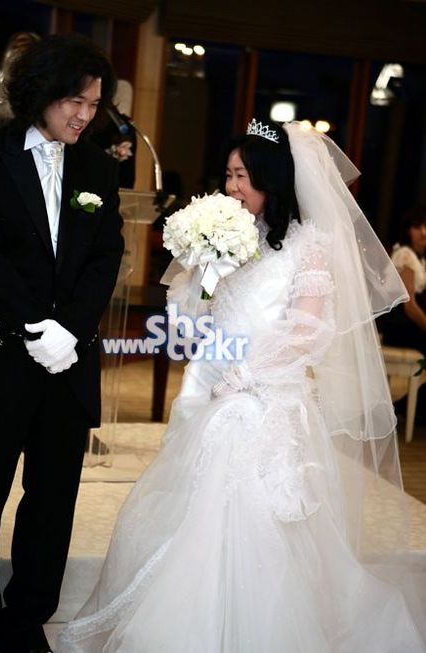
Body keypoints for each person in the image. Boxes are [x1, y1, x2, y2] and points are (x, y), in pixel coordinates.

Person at [57, 121, 426, 652]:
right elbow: (190, 324)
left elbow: (308, 331)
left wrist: (248, 376)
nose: (231, 187)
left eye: (243, 176)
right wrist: (203, 272)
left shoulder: (308, 246)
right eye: (228, 175)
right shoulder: (228, 234)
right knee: (191, 498)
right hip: (212, 382)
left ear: (271, 181)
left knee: (243, 487)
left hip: (266, 393)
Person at [0, 34, 124, 653]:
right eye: (76, 101)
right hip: (0, 358)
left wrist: (70, 330)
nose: (85, 115)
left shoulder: (99, 167)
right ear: (42, 93)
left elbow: (105, 256)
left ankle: (27, 619)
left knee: (52, 499)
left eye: (94, 104)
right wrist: (34, 328)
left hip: (70, 361)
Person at [381, 205, 426, 356]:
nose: (423, 232)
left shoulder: (420, 259)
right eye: (417, 227)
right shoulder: (405, 254)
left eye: (425, 226)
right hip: (401, 325)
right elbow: (409, 305)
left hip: (409, 324)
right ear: (408, 231)